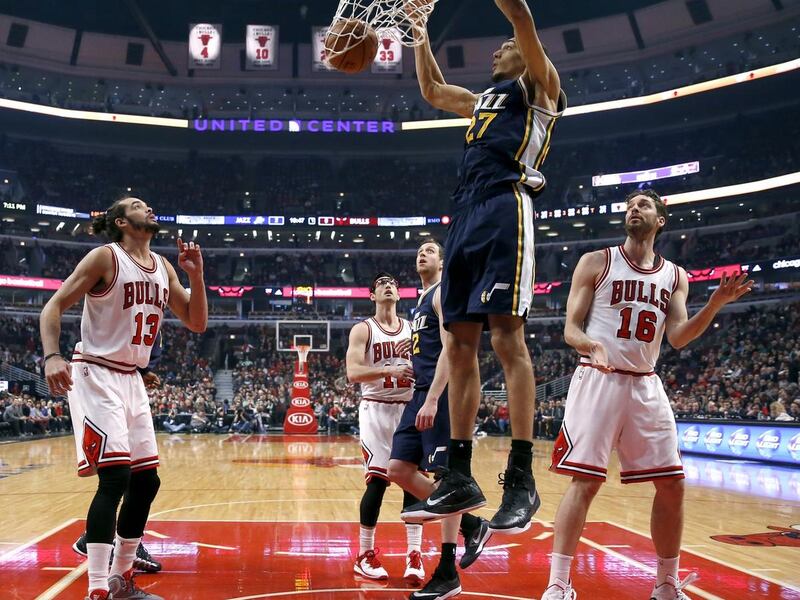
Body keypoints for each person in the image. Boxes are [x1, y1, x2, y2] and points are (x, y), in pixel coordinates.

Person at [403, 0, 566, 532]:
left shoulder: (540, 88)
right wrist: (420, 32)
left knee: (506, 340)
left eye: (506, 46)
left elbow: (521, 18)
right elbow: (431, 90)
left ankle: (521, 477)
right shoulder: (481, 100)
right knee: (461, 345)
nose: (497, 49)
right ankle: (460, 471)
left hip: (505, 205)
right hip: (465, 215)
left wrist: (517, 19)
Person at [541, 190, 753, 600]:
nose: (633, 209)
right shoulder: (596, 262)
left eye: (644, 205)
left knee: (673, 484)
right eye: (630, 205)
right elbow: (570, 328)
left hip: (644, 381)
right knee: (584, 482)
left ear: (661, 220)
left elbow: (677, 337)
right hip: (597, 378)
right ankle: (558, 583)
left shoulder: (675, 276)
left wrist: (713, 305)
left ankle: (666, 583)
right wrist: (589, 345)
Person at [40, 196, 207, 600]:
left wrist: (196, 276)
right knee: (115, 478)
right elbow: (54, 305)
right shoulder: (105, 257)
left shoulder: (164, 266)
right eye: (137, 205)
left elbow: (197, 323)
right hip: (95, 372)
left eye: (150, 204)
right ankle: (97, 587)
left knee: (146, 481)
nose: (148, 207)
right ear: (120, 221)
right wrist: (51, 355)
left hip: (131, 377)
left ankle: (121, 579)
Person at [389, 240, 492, 599]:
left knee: (447, 480)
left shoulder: (441, 292)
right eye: (418, 249)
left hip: (440, 394)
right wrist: (414, 347)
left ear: (443, 262)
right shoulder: (420, 301)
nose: (422, 253)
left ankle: (447, 571)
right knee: (398, 469)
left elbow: (452, 348)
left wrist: (433, 398)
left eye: (430, 250)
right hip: (420, 391)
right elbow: (433, 343)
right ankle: (473, 525)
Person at [345, 273, 414, 580]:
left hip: (409, 409)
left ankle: (415, 554)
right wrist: (390, 369)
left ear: (399, 294)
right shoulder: (363, 329)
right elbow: (353, 371)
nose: (388, 286)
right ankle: (364, 554)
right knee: (377, 480)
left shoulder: (413, 329)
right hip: (376, 408)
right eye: (381, 284)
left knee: (414, 481)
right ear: (372, 295)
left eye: (393, 283)